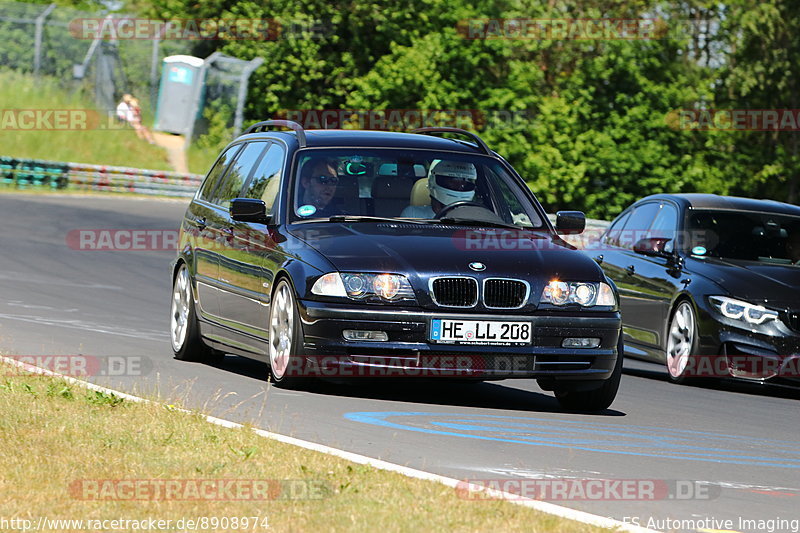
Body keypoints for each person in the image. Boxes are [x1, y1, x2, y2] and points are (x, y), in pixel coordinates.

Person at [400, 160, 478, 218]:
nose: (460, 186)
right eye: (453, 181)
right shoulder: (413, 214)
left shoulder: (474, 218)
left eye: (465, 182)